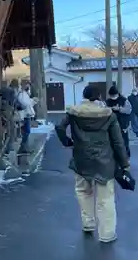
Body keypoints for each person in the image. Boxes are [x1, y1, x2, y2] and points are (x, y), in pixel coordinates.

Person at [55, 85, 130, 243]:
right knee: (105, 199)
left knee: (83, 192)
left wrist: (67, 141)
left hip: (81, 159)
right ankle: (107, 234)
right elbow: (118, 142)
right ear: (99, 97)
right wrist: (124, 163)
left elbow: (60, 127)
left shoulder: (74, 112)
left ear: (84, 96)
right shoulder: (109, 115)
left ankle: (88, 224)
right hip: (105, 162)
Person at [106, 85, 132, 157]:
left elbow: (129, 110)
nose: (113, 97)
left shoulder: (124, 100)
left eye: (114, 95)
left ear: (117, 94)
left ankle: (126, 157)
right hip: (111, 125)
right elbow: (104, 110)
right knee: (113, 142)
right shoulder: (108, 101)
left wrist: (120, 109)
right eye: (111, 95)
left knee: (124, 141)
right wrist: (110, 109)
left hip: (123, 124)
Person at [16, 81, 37, 154]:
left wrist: (33, 101)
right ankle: (22, 148)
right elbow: (24, 103)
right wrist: (32, 101)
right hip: (24, 115)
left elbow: (27, 103)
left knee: (26, 131)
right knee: (26, 131)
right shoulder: (21, 93)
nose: (28, 87)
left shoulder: (25, 94)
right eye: (27, 85)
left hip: (26, 115)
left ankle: (24, 148)